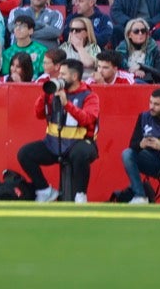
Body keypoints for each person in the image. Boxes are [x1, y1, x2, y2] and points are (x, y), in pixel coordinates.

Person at [16, 57, 100, 202]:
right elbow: (39, 114)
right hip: (54, 143)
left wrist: (67, 104)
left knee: (80, 154)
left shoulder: (90, 96)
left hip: (81, 142)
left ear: (74, 76)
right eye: (59, 73)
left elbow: (87, 119)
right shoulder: (55, 93)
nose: (59, 77)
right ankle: (44, 190)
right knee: (24, 153)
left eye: (63, 74)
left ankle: (80, 194)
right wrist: (45, 94)